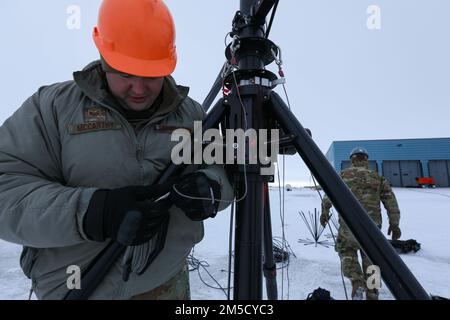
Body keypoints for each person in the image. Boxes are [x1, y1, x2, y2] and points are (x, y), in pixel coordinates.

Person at [0, 0, 233, 300]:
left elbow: (227, 174)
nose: (138, 89)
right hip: (75, 289)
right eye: (124, 73)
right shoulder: (53, 109)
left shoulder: (193, 115)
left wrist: (213, 187)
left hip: (166, 287)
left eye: (150, 75)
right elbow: (5, 190)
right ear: (103, 56)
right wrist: (92, 212)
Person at [320, 147, 401, 300]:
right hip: (373, 229)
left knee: (347, 252)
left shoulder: (343, 175)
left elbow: (328, 196)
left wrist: (324, 213)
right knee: (373, 261)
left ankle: (356, 281)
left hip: (348, 227)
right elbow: (391, 202)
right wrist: (394, 224)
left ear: (352, 159)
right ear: (366, 159)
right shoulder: (377, 177)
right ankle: (373, 293)